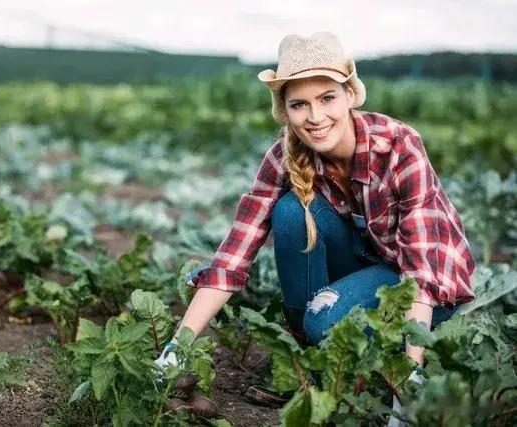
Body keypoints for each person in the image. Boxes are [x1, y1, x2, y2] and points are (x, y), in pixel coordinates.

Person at [156, 31, 476, 418]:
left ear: (350, 95)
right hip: (367, 264)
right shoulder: (284, 156)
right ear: (285, 110)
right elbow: (232, 258)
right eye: (299, 104)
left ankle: (346, 356)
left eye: (327, 98)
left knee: (324, 325)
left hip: (426, 290)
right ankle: (304, 368)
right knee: (291, 211)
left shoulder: (397, 147)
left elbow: (422, 273)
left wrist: (407, 387)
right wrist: (175, 350)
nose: (315, 117)